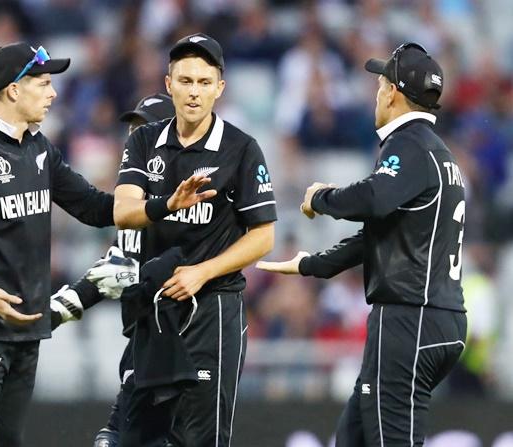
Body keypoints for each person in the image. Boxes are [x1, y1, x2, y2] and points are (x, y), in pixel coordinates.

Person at [0, 43, 200, 447]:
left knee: (8, 440)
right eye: (44, 83)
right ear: (13, 90)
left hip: (28, 326)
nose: (53, 93)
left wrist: (164, 202)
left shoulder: (39, 148)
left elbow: (95, 208)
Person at [257, 43, 467, 446]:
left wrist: (321, 198)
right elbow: (380, 233)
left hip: (410, 318)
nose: (375, 91)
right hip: (437, 317)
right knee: (351, 437)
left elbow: (373, 199)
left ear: (392, 92)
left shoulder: (409, 145)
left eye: (381, 82)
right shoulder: (439, 154)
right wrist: (312, 265)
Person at [114, 33, 277, 446]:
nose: (194, 93)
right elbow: (123, 211)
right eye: (185, 81)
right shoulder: (143, 140)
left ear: (220, 89)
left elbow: (263, 237)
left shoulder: (241, 149)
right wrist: (168, 203)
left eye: (205, 83)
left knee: (202, 438)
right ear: (168, 84)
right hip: (154, 313)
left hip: (213, 311)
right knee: (137, 437)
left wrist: (202, 273)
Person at [48, 93, 176, 447]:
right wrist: (56, 311)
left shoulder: (185, 200)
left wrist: (136, 279)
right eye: (133, 131)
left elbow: (185, 269)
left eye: (144, 130)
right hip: (142, 349)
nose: (134, 140)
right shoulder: (134, 204)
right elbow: (115, 268)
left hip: (181, 355)